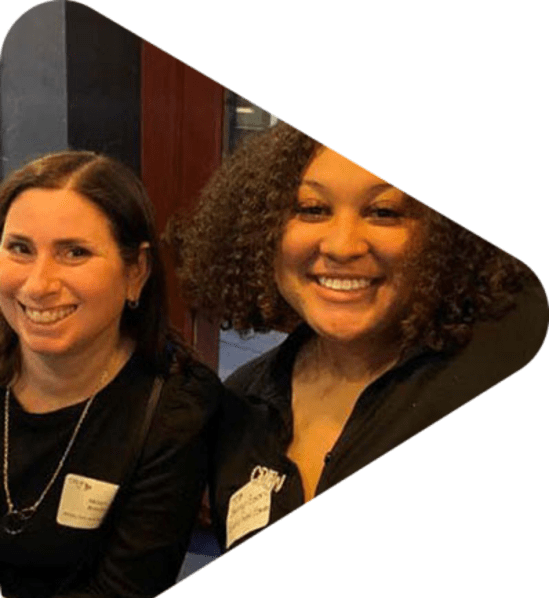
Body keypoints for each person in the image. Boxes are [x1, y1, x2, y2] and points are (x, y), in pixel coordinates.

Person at [168, 122, 549, 552]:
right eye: (312, 209)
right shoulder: (240, 404)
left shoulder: (505, 356)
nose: (343, 246)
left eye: (384, 212)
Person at [0, 151, 222, 598]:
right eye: (19, 248)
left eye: (74, 252)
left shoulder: (175, 408)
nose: (38, 284)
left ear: (135, 272)